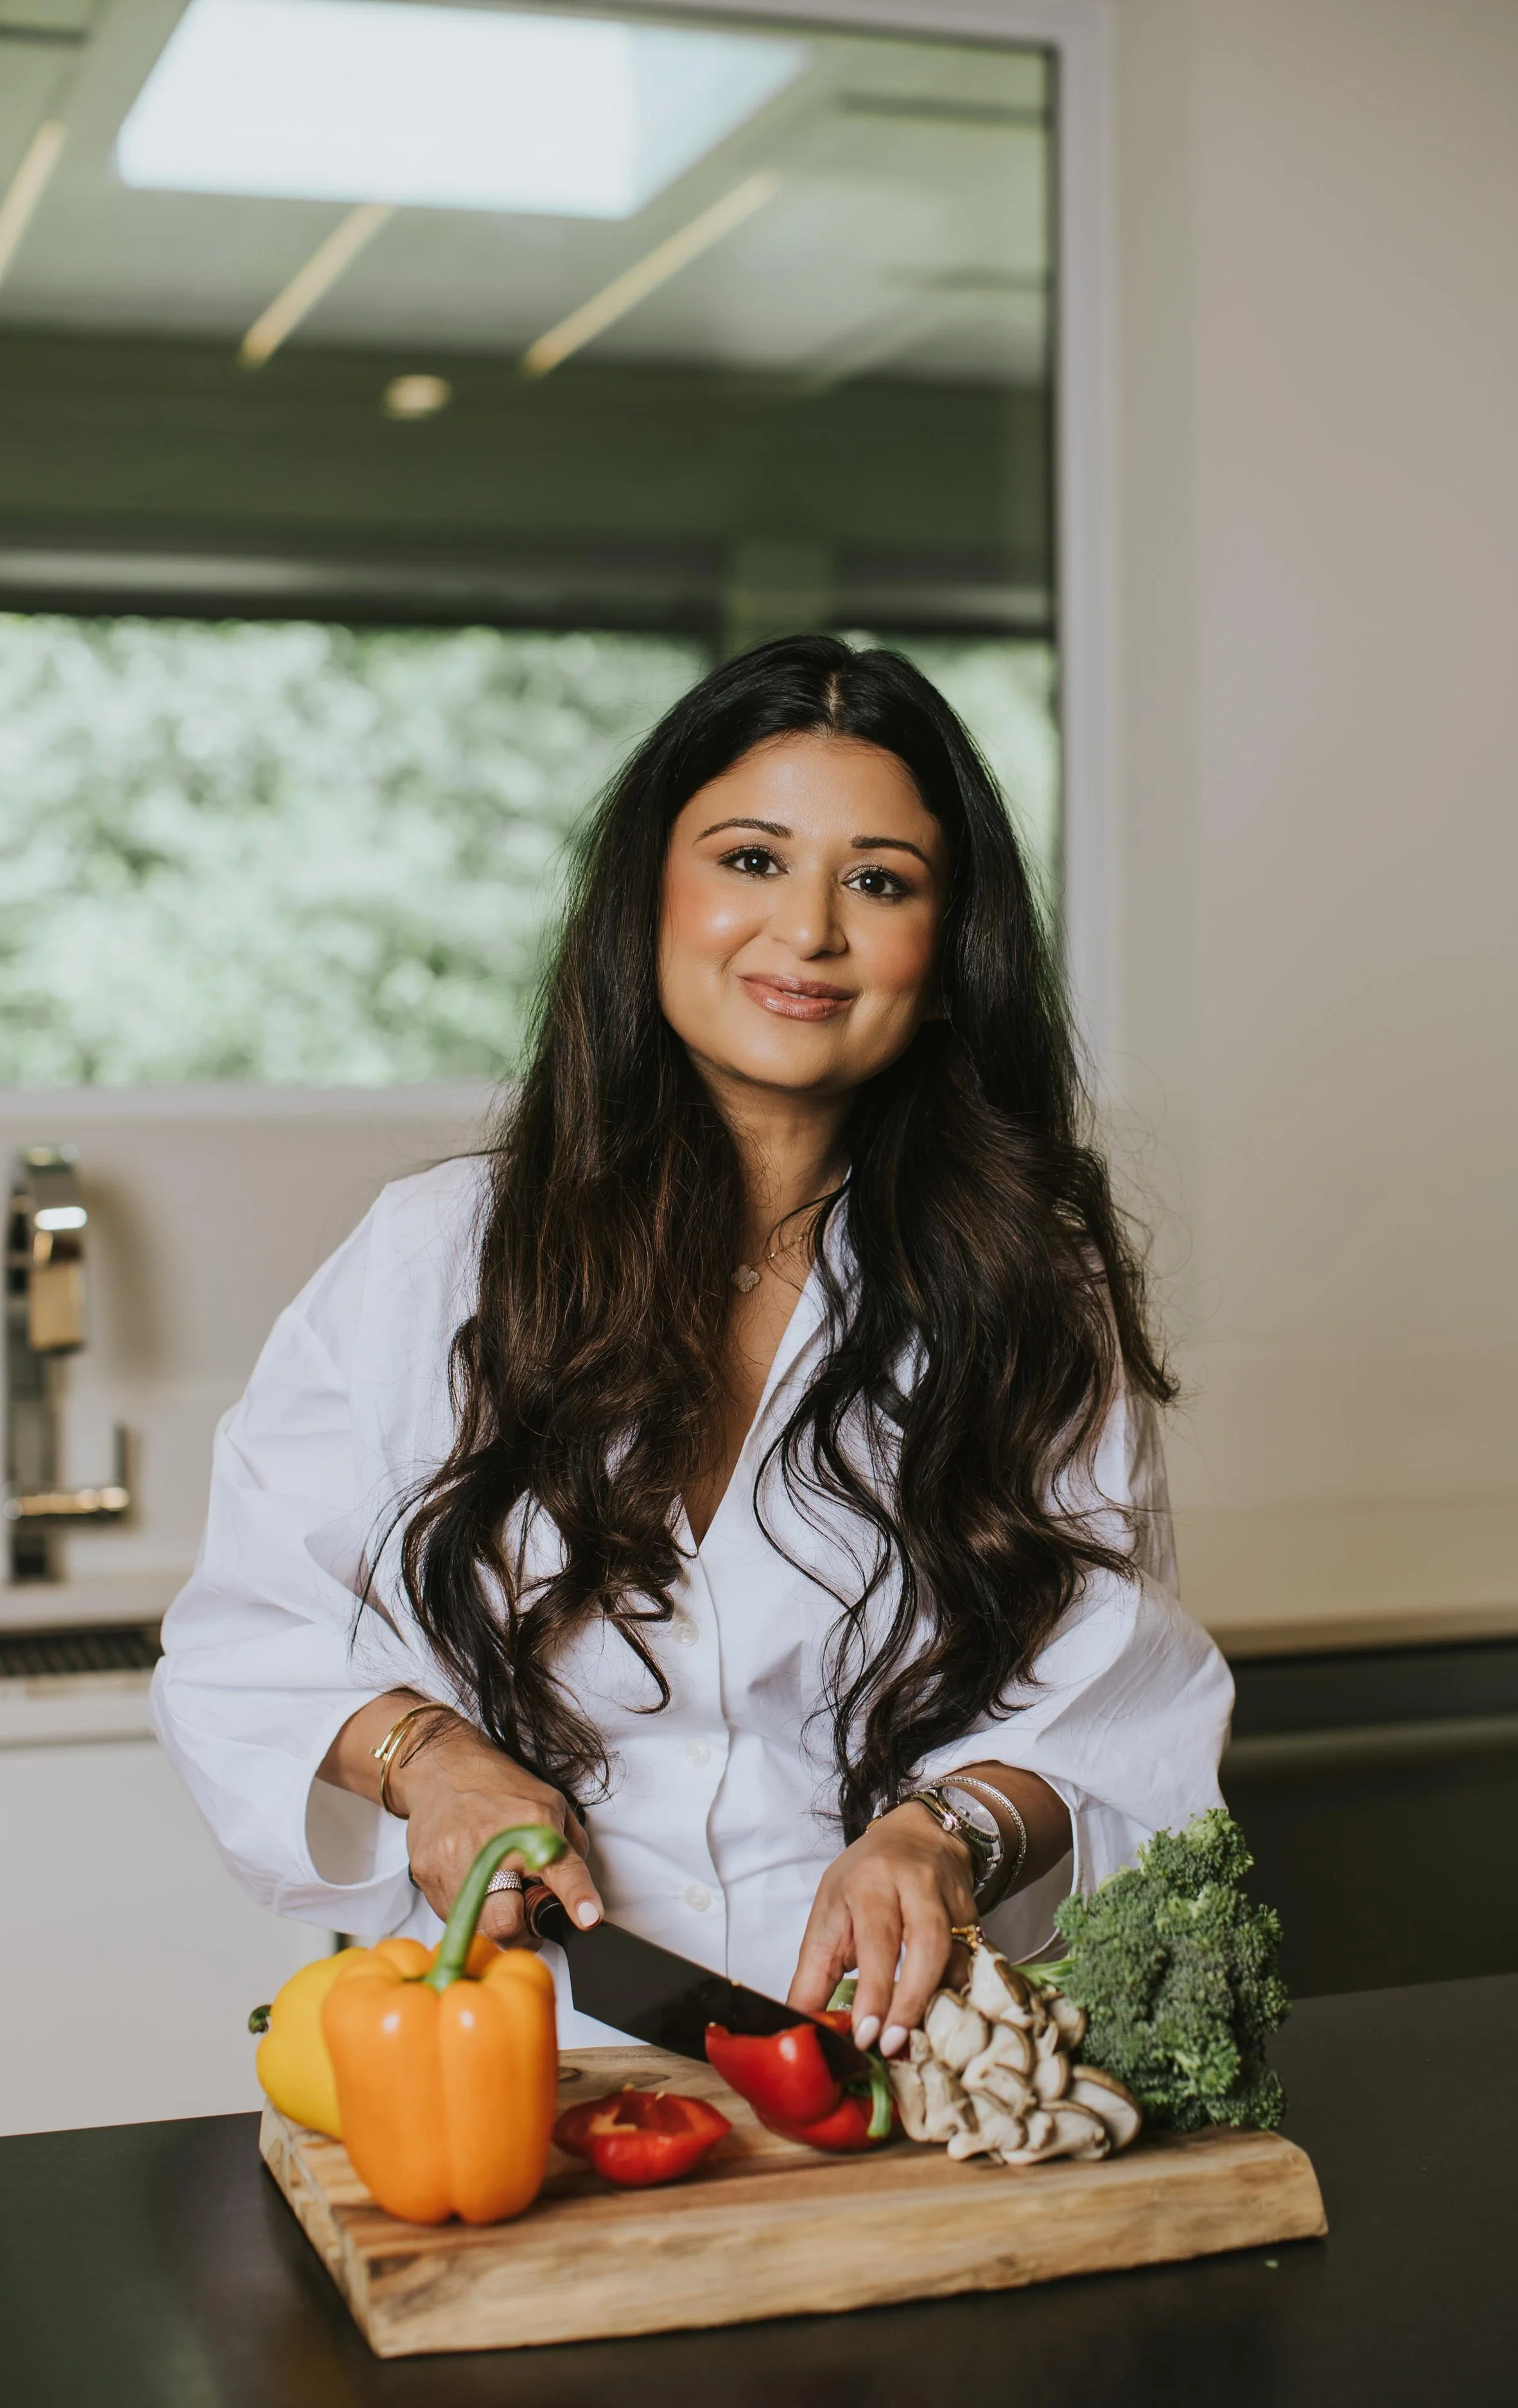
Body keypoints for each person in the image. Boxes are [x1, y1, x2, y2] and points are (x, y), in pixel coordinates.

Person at [152, 635, 1231, 2059]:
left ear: (945, 944)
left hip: (885, 2060)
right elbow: (247, 1640)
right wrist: (437, 1763)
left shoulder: (1028, 1284)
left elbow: (1115, 1696)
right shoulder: (432, 1257)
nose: (808, 932)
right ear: (649, 893)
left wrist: (944, 1831)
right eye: (750, 859)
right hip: (501, 2045)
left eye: (878, 880)